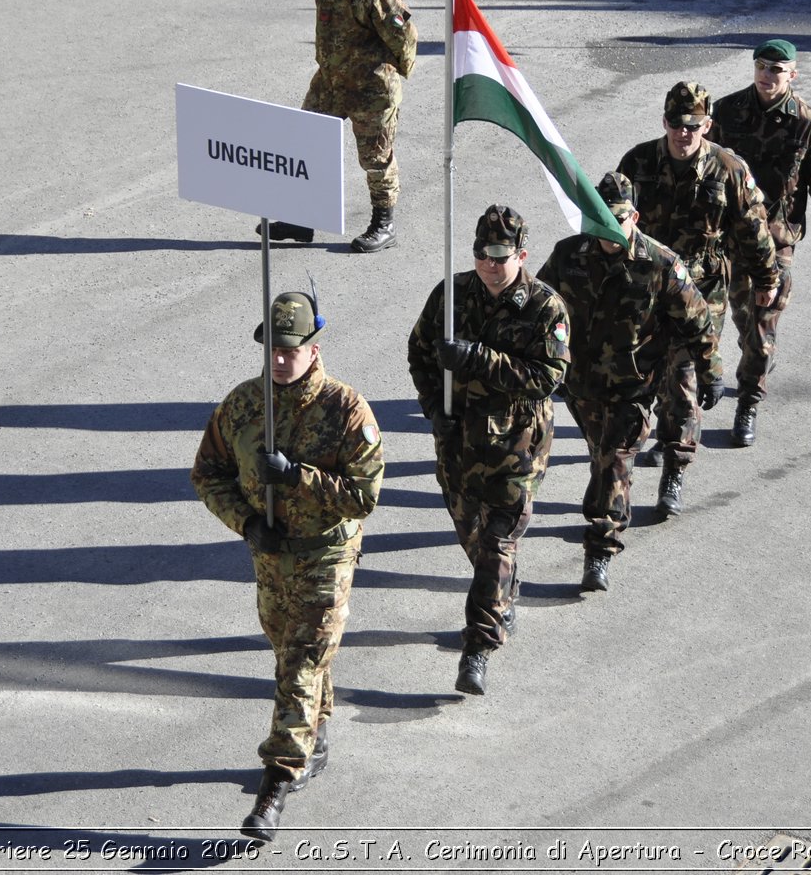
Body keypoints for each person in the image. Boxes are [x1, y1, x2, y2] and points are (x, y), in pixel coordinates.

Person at [191, 292, 384, 842]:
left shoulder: (346, 409)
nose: (278, 359)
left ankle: (273, 786)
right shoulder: (244, 405)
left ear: (313, 348)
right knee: (288, 651)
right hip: (271, 556)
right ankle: (315, 733)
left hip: (326, 554)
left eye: (289, 350)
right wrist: (247, 524)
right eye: (271, 349)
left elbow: (363, 495)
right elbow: (208, 473)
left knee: (298, 665)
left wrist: (297, 476)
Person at [407, 205, 569, 696]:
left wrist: (479, 359)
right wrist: (435, 405)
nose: (489, 265)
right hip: (457, 446)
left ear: (521, 254)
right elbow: (419, 351)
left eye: (499, 256)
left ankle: (476, 647)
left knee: (497, 543)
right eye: (481, 254)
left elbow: (548, 377)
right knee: (474, 540)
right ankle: (502, 594)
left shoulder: (545, 308)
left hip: (515, 451)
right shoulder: (451, 295)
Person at [535, 172, 717, 594]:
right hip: (581, 386)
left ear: (633, 215)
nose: (608, 229)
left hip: (632, 388)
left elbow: (698, 320)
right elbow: (541, 306)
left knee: (615, 459)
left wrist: (710, 370)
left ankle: (600, 547)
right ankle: (605, 503)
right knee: (601, 454)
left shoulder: (660, 263)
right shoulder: (569, 255)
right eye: (599, 219)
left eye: (617, 219)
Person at [619, 80, 779, 519]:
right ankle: (644, 446)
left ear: (707, 124)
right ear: (664, 122)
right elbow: (612, 226)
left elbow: (753, 227)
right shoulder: (638, 162)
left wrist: (767, 277)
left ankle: (675, 468)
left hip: (701, 295)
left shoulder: (727, 168)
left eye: (693, 125)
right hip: (646, 293)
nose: (683, 133)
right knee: (639, 378)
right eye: (675, 123)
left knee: (684, 380)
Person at [709, 40, 811, 448]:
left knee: (762, 323)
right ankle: (740, 366)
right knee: (733, 316)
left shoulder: (809, 123)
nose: (768, 75)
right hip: (728, 234)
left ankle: (749, 399)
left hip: (775, 240)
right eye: (762, 66)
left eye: (777, 69)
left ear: (792, 75)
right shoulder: (725, 112)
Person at [260, 0, 418, 252]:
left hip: (370, 91)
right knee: (306, 140)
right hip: (331, 82)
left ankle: (384, 224)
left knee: (376, 159)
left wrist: (387, 76)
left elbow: (405, 38)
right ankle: (303, 217)